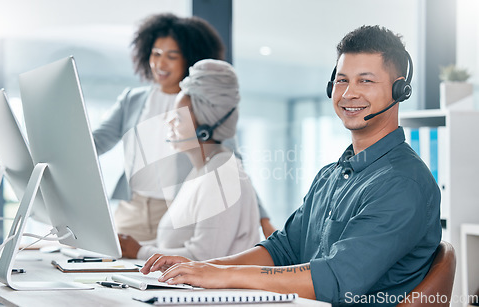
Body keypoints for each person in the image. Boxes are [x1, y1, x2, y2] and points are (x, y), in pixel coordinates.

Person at [139, 25, 442, 306]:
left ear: (400, 90)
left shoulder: (403, 183)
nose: (349, 93)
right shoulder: (331, 175)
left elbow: (336, 279)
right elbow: (283, 250)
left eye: (365, 80)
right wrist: (204, 268)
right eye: (341, 80)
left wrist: (221, 277)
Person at [92, 13, 276, 247]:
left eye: (171, 56)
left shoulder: (203, 107)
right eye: (155, 54)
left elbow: (231, 166)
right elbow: (96, 142)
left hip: (176, 213)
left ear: (189, 59)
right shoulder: (132, 100)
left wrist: (263, 217)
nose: (160, 64)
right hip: (133, 210)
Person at [118, 59, 261, 260]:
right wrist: (129, 246)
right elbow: (173, 244)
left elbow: (205, 256)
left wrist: (140, 252)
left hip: (214, 292)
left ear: (204, 129)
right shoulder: (203, 169)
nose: (168, 122)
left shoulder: (221, 176)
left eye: (178, 117)